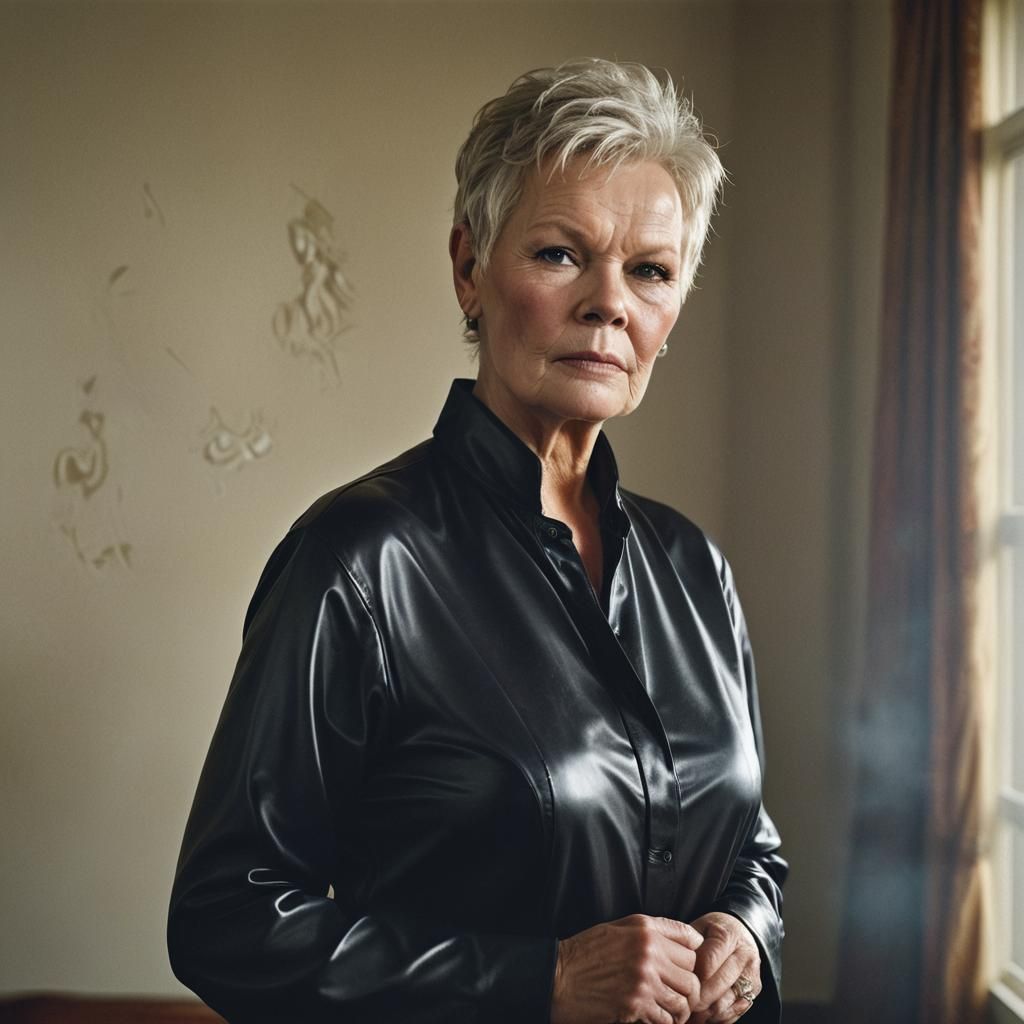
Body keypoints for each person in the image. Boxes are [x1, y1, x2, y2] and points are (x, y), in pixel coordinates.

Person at [168, 58, 786, 1024]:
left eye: (650, 270)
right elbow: (225, 918)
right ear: (470, 268)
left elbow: (750, 844)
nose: (609, 302)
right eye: (561, 254)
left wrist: (744, 930)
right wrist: (542, 981)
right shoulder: (359, 561)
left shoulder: (694, 567)